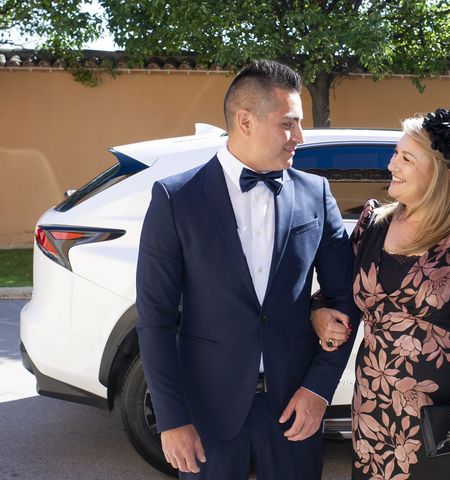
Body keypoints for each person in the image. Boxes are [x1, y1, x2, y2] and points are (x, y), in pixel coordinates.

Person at [136, 60, 358, 480]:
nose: (300, 137)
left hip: (296, 408)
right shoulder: (176, 199)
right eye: (289, 123)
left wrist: (318, 390)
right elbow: (155, 320)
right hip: (207, 412)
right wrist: (170, 418)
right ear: (245, 120)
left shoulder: (316, 194)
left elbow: (345, 299)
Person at [311, 108, 450, 479]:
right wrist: (318, 313)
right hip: (373, 410)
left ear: (444, 172)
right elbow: (336, 293)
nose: (392, 164)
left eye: (407, 158)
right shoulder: (374, 223)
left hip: (441, 418)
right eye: (396, 153)